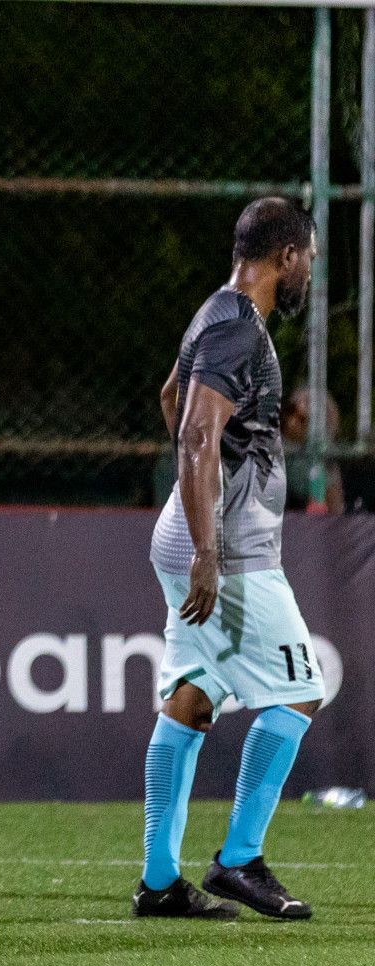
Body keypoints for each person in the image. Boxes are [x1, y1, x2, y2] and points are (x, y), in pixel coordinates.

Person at [138, 197, 324, 922]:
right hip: (228, 549)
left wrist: (196, 521)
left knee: (192, 695)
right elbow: (193, 432)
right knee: (299, 693)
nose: (309, 268)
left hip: (194, 537)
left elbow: (168, 398)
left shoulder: (215, 313)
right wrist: (209, 546)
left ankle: (158, 882)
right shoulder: (239, 329)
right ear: (286, 257)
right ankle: (239, 861)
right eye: (308, 256)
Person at [282, 384, 345, 514]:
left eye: (303, 420)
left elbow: (335, 506)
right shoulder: (275, 445)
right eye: (290, 411)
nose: (292, 421)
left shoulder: (322, 451)